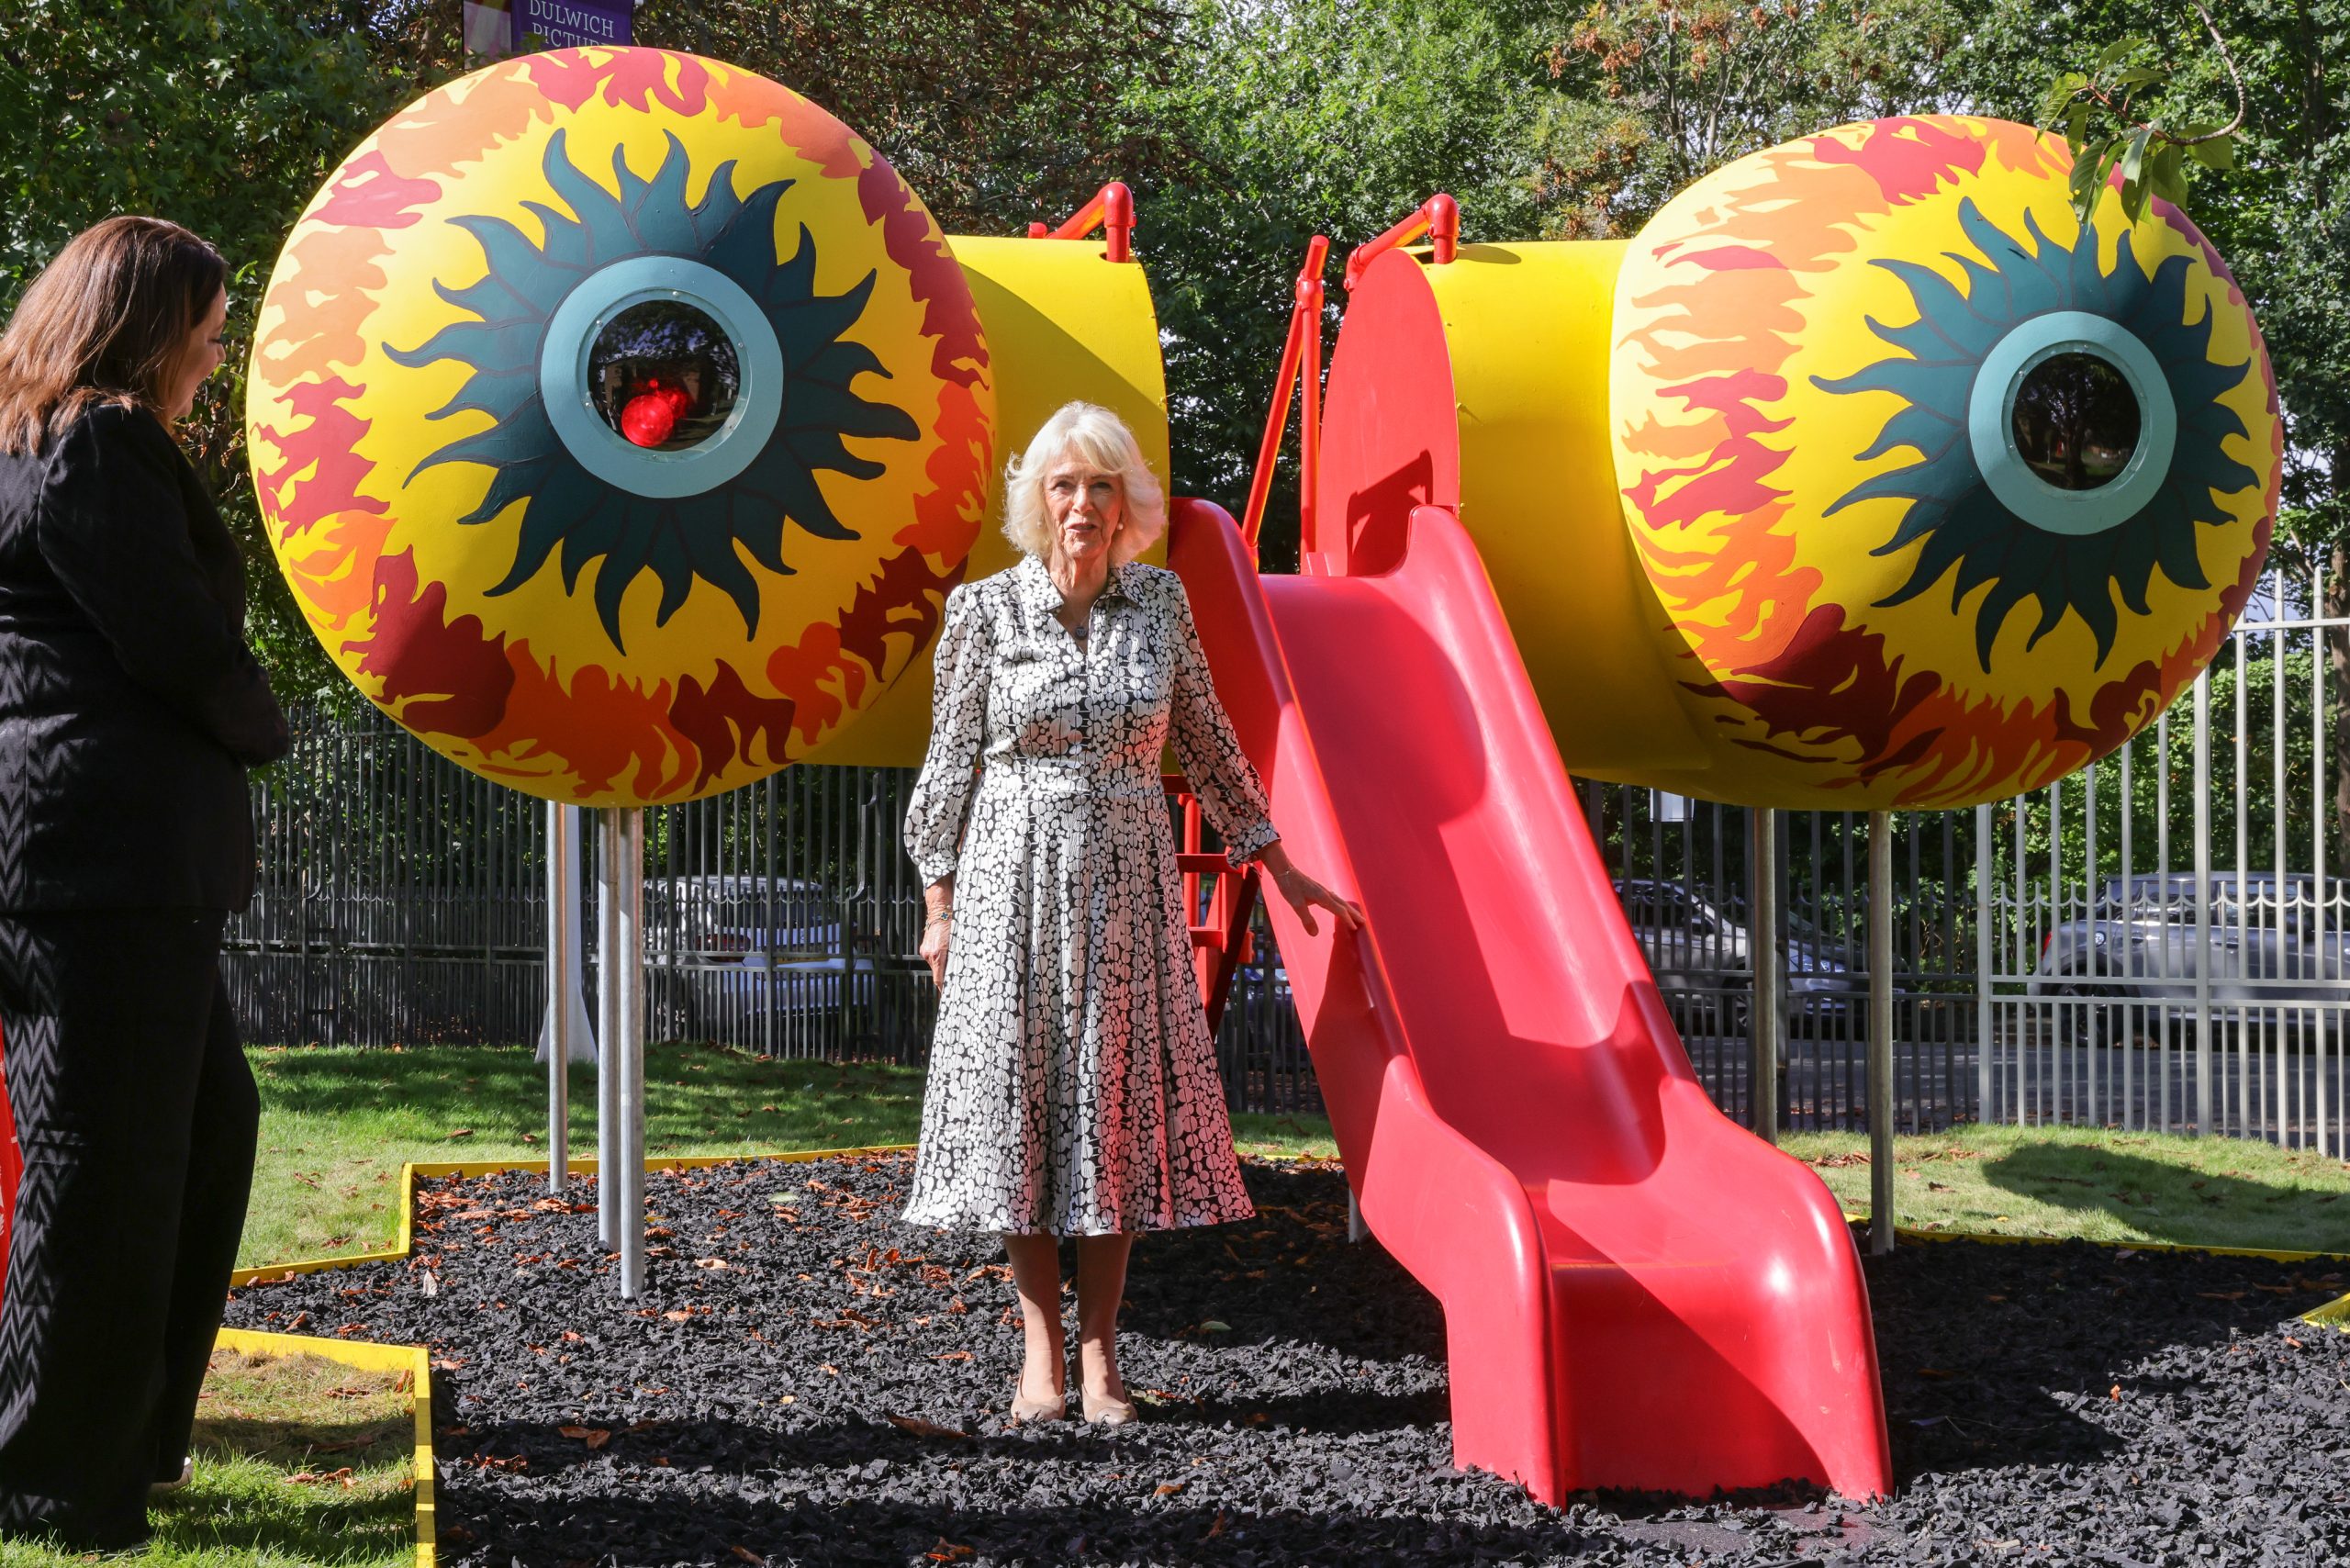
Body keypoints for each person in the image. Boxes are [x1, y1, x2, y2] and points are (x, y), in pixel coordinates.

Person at [900, 400, 1360, 1425]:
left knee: (1108, 1114)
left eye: (1100, 485)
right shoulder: (982, 612)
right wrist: (937, 900)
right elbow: (947, 762)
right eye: (1063, 485)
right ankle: (1039, 1362)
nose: (1081, 504)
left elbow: (1205, 736)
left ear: (1126, 506)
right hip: (1009, 877)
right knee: (1021, 1108)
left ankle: (1103, 1359)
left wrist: (1279, 866)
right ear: (1037, 502)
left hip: (1126, 883)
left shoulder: (1160, 605)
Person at [0, 216, 289, 1550]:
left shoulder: (29, 436)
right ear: (145, 322)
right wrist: (257, 717)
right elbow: (173, 637)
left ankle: (129, 1439)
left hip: (87, 854)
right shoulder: (100, 439)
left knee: (201, 1133)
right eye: (208, 327)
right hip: (100, 855)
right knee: (101, 1170)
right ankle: (54, 1479)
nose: (214, 352)